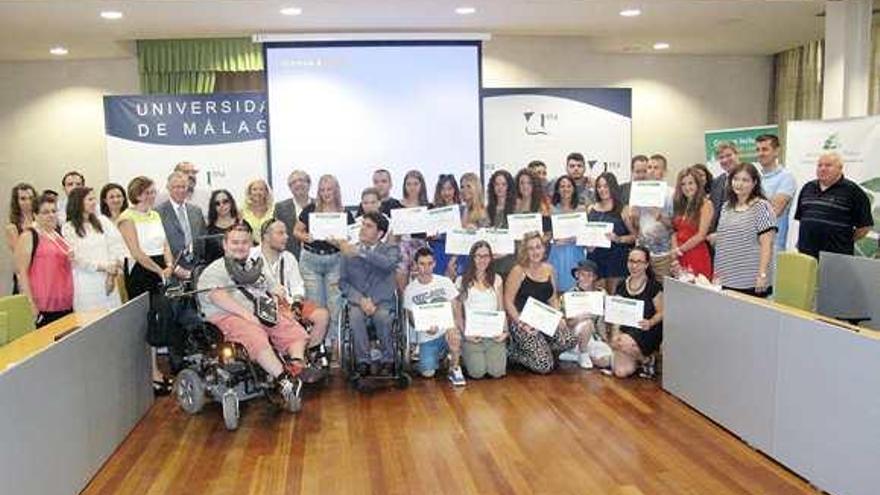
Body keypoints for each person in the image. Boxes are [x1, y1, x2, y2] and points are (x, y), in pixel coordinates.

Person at [197, 221, 306, 407]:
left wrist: (286, 304)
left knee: (293, 329)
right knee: (255, 334)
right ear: (225, 245)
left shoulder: (254, 266)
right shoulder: (214, 270)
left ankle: (294, 367)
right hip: (226, 315)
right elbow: (217, 296)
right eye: (235, 242)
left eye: (244, 242)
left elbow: (274, 287)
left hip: (258, 309)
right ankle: (283, 380)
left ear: (250, 244)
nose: (240, 247)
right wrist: (249, 317)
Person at [254, 219, 330, 382]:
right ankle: (297, 362)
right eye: (280, 233)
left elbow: (297, 285)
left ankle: (309, 354)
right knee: (286, 318)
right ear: (266, 237)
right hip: (265, 306)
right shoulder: (252, 257)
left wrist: (296, 303)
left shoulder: (288, 257)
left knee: (322, 316)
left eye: (286, 233)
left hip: (289, 302)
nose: (286, 237)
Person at [504, 232, 577, 374]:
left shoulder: (550, 269)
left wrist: (559, 317)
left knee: (570, 339)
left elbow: (553, 298)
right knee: (544, 365)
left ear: (544, 249)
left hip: (544, 320)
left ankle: (542, 347)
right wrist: (520, 323)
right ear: (525, 251)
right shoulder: (518, 271)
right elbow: (507, 301)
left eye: (538, 247)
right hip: (522, 322)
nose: (535, 251)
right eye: (530, 248)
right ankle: (512, 353)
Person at [338, 212, 401, 376]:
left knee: (383, 317)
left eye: (368, 226)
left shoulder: (390, 249)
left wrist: (362, 252)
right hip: (358, 301)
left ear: (380, 233)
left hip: (382, 300)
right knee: (355, 317)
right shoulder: (348, 251)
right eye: (363, 225)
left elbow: (387, 265)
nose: (363, 229)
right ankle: (362, 361)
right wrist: (360, 300)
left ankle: (388, 359)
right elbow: (343, 282)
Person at [293, 174, 355, 340]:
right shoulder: (310, 209)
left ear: (336, 191)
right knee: (316, 306)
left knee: (335, 306)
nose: (326, 193)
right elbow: (296, 231)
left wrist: (337, 243)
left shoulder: (345, 214)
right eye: (322, 190)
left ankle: (334, 346)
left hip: (335, 260)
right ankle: (318, 348)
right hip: (311, 261)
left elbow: (350, 246)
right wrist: (306, 237)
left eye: (329, 189)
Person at [711, 163, 777, 297]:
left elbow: (767, 244)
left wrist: (762, 274)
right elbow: (724, 240)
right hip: (725, 277)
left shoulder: (761, 207)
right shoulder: (726, 207)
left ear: (755, 183)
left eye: (745, 180)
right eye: (735, 179)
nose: (739, 184)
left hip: (750, 280)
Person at [403, 247, 466, 386]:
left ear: (434, 264)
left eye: (429, 263)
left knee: (454, 336)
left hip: (447, 330)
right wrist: (425, 327)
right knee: (427, 373)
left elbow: (456, 307)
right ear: (415, 265)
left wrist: (453, 326)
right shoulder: (410, 290)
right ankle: (441, 355)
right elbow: (411, 318)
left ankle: (455, 368)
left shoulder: (445, 282)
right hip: (428, 335)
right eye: (422, 264)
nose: (426, 268)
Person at [794, 152, 873, 259]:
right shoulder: (808, 188)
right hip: (806, 255)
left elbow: (864, 227)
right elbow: (803, 219)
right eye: (820, 165)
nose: (822, 168)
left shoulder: (853, 192)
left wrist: (844, 240)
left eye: (828, 165)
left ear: (840, 168)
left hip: (837, 257)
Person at [61, 187, 126, 311]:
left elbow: (115, 246)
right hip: (86, 282)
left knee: (113, 317)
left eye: (94, 199)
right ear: (78, 202)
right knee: (89, 320)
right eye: (90, 199)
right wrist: (103, 267)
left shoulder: (102, 221)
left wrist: (110, 274)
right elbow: (77, 258)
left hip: (108, 279)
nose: (94, 202)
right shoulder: (68, 228)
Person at [14, 194, 73, 326]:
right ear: (35, 215)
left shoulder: (58, 235)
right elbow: (21, 272)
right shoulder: (29, 236)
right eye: (45, 212)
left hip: (65, 303)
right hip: (43, 306)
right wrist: (31, 304)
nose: (51, 215)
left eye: (53, 211)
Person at [610, 246, 664, 378]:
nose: (634, 266)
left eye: (639, 262)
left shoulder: (654, 286)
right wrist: (615, 334)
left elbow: (663, 312)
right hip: (626, 331)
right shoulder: (621, 285)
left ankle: (645, 359)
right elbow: (616, 315)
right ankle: (644, 360)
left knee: (624, 342)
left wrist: (650, 322)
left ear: (646, 264)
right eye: (631, 261)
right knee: (621, 372)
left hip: (647, 330)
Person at [456, 241, 507, 379]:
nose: (482, 260)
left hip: (493, 335)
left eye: (486, 256)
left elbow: (501, 308)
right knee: (477, 373)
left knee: (496, 372)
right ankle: (465, 356)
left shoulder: (497, 279)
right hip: (472, 335)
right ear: (472, 258)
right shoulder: (462, 281)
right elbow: (458, 314)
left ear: (490, 258)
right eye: (478, 256)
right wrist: (466, 333)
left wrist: (504, 332)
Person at [117, 176, 174, 298]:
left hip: (161, 267)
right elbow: (136, 252)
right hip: (140, 269)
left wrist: (169, 265)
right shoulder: (126, 217)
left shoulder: (155, 215)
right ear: (136, 195)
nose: (152, 196)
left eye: (153, 192)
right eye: (147, 193)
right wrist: (159, 271)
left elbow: (165, 244)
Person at [586, 173, 636, 294]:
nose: (602, 189)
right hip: (595, 258)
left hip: (616, 258)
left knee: (614, 298)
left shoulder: (624, 210)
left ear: (613, 187)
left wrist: (618, 239)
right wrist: (587, 246)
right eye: (599, 186)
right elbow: (586, 234)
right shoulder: (590, 209)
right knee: (597, 299)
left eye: (606, 186)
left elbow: (635, 237)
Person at [558, 260, 612, 370]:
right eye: (583, 274)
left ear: (594, 277)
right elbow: (565, 324)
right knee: (587, 323)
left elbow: (604, 320)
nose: (586, 278)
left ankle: (577, 357)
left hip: (594, 337)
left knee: (607, 361)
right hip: (575, 336)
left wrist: (605, 339)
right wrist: (579, 318)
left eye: (590, 275)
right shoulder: (568, 295)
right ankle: (582, 353)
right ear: (577, 275)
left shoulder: (602, 294)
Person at [631, 153, 675, 280]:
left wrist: (660, 216)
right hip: (642, 256)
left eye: (656, 168)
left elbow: (676, 227)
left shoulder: (671, 193)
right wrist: (633, 217)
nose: (651, 171)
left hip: (663, 255)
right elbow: (636, 228)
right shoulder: (638, 191)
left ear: (664, 171)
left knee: (663, 293)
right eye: (649, 167)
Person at [156, 172, 207, 278]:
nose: (180, 190)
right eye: (176, 187)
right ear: (168, 188)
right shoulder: (158, 213)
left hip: (196, 270)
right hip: (171, 272)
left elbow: (203, 241)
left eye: (183, 187)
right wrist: (175, 268)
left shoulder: (196, 211)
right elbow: (158, 246)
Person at [755, 134, 797, 251]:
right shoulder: (755, 177)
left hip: (774, 245)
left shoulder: (786, 178)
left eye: (765, 149)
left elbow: (774, 211)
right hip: (753, 243)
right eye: (758, 149)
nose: (760, 153)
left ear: (776, 151)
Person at [671, 168, 714, 279]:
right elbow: (675, 231)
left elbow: (701, 235)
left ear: (698, 184)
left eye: (691, 183)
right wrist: (675, 251)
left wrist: (680, 250)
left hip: (696, 254)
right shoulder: (680, 204)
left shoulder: (706, 204)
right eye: (683, 184)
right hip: (679, 255)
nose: (687, 187)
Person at [548, 175, 586, 292]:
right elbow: (548, 234)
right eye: (562, 186)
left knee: (576, 288)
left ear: (574, 188)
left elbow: (586, 235)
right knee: (556, 287)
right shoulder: (551, 209)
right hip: (557, 253)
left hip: (576, 253)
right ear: (558, 190)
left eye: (569, 186)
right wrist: (553, 239)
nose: (565, 189)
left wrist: (571, 239)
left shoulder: (582, 209)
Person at [395, 170, 431, 290]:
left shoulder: (428, 207)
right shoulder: (396, 205)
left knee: (419, 286)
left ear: (422, 185)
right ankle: (403, 307)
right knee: (401, 281)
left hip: (421, 247)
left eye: (416, 183)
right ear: (404, 186)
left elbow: (431, 232)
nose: (412, 187)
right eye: (408, 184)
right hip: (401, 246)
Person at [274, 169, 313, 259]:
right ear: (290, 187)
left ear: (309, 184)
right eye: (294, 182)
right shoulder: (280, 207)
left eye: (301, 180)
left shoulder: (319, 205)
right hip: (289, 257)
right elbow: (277, 234)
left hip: (316, 257)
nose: (298, 184)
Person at [6, 183, 37, 294]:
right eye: (23, 199)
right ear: (16, 202)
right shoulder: (12, 227)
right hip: (25, 275)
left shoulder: (41, 221)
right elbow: (20, 259)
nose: (28, 202)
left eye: (31, 198)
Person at [428, 174, 461, 277]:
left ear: (455, 190)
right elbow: (430, 240)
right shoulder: (433, 211)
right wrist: (431, 237)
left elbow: (462, 237)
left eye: (450, 189)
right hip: (439, 253)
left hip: (457, 254)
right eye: (443, 189)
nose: (446, 193)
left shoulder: (462, 210)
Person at [486, 169, 517, 277]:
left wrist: (505, 252)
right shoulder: (487, 210)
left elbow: (520, 238)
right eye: (497, 184)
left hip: (511, 263)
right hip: (490, 264)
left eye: (503, 184)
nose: (500, 187)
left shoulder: (516, 210)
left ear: (509, 187)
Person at [709, 142, 739, 231]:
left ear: (737, 155)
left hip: (739, 236)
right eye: (721, 157)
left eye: (729, 155)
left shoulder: (749, 178)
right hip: (717, 238)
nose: (725, 160)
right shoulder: (716, 182)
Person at [205, 189, 240, 264]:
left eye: (225, 201)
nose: (222, 205)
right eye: (217, 203)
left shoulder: (242, 224)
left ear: (231, 203)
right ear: (213, 207)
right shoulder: (208, 231)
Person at [241, 179, 274, 244]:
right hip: (249, 248)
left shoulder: (274, 209)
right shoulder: (242, 211)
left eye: (261, 189)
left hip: (271, 247)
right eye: (254, 189)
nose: (258, 192)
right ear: (249, 192)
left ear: (266, 192)